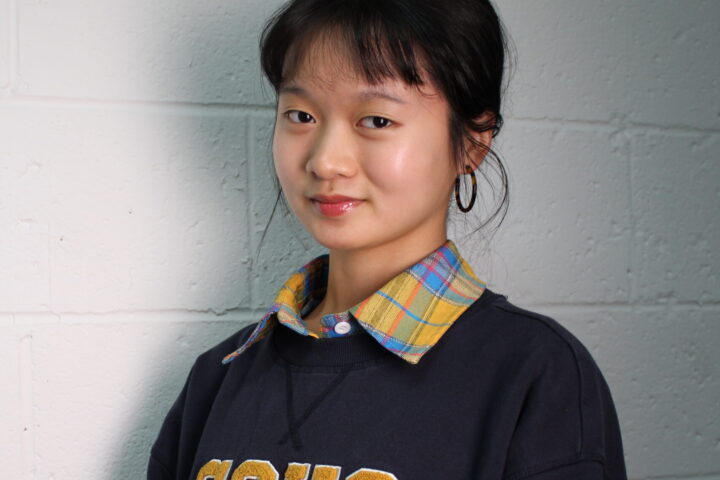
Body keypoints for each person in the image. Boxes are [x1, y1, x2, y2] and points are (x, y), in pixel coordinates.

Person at [148, 0, 627, 479]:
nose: (325, 161)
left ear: (472, 142)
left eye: (376, 120)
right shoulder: (220, 376)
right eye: (300, 115)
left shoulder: (534, 374)